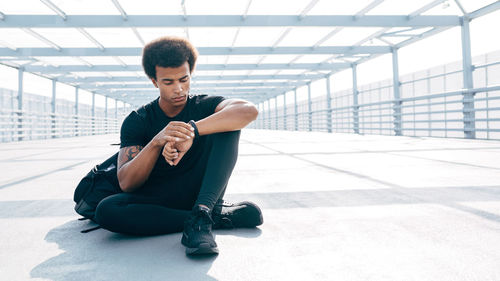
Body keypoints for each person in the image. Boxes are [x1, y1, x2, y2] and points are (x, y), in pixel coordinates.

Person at [94, 36, 263, 255]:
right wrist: (156, 142)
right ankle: (215, 218)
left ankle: (202, 214)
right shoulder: (138, 120)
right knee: (107, 211)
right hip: (159, 200)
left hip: (203, 194)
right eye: (168, 82)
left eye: (184, 79)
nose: (179, 89)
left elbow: (248, 111)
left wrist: (191, 130)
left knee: (228, 122)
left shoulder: (205, 106)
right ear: (154, 81)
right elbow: (127, 183)